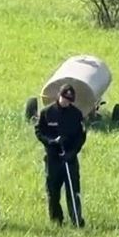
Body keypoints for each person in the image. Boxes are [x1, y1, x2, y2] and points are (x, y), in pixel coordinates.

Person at [34, 84, 87, 227]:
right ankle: (57, 220)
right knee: (53, 191)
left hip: (69, 158)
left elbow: (81, 137)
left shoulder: (76, 114)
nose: (66, 102)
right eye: (64, 98)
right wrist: (51, 142)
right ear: (59, 96)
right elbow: (39, 132)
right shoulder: (47, 112)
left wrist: (72, 152)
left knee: (73, 191)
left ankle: (76, 219)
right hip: (53, 158)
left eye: (69, 100)